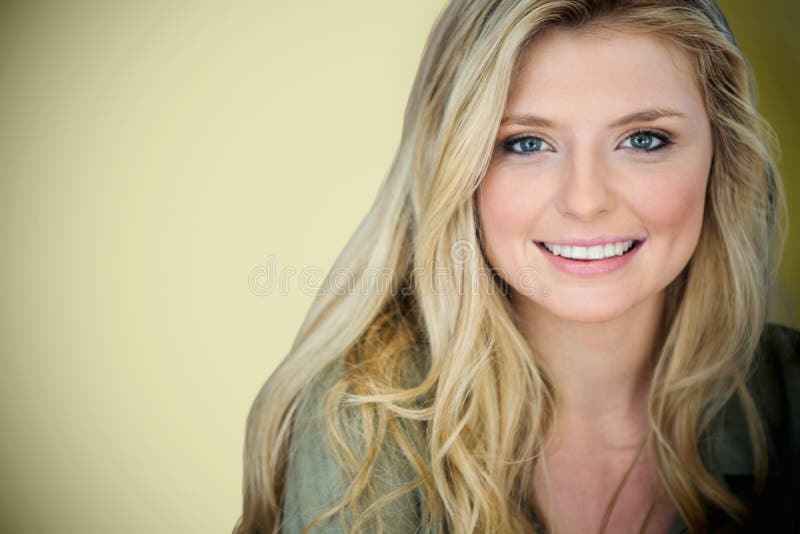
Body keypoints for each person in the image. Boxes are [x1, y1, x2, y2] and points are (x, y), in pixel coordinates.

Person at [234, 0, 799, 532]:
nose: (585, 200)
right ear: (456, 170)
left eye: (643, 139)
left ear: (721, 156)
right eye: (527, 144)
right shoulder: (364, 424)